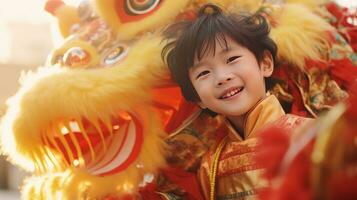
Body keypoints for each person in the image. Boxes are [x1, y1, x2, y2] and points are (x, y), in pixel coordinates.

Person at [162, 4, 312, 200]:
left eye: (232, 59)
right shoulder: (211, 168)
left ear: (265, 64)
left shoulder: (310, 137)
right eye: (204, 72)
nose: (222, 77)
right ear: (198, 99)